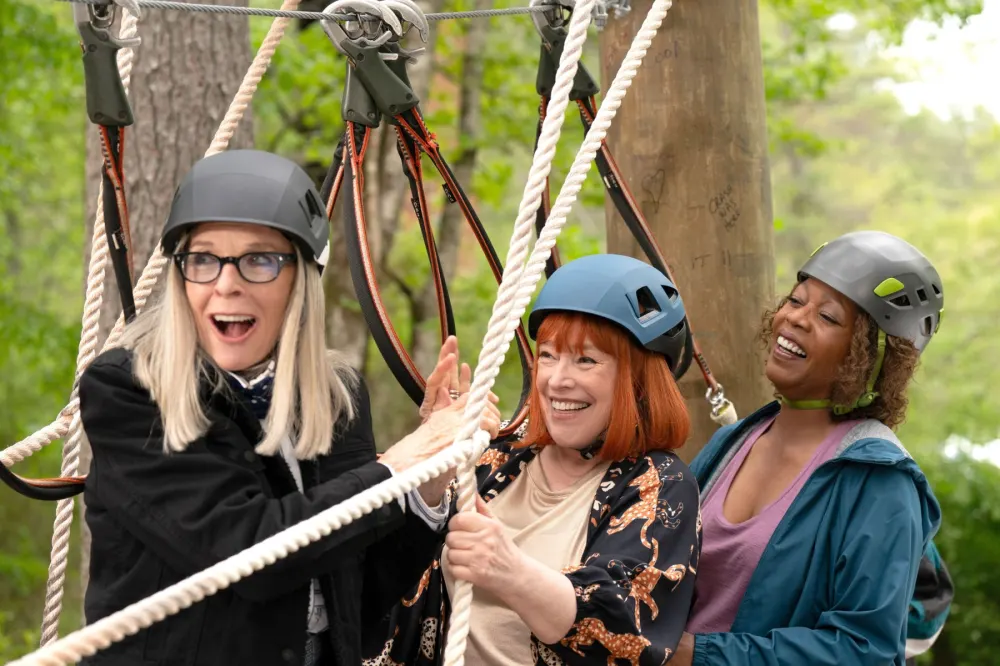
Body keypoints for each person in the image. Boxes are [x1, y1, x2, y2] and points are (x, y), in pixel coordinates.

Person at [77, 149, 502, 666]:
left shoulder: (334, 397)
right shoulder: (131, 392)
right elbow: (249, 554)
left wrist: (430, 478)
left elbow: (360, 597)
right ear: (180, 275)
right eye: (204, 259)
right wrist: (403, 463)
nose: (226, 283)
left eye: (259, 259)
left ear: (301, 279)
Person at [363, 254, 703, 666]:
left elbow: (626, 633)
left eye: (586, 359)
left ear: (639, 380)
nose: (557, 379)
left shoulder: (660, 485)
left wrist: (510, 571)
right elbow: (379, 562)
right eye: (547, 355)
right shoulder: (498, 459)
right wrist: (435, 457)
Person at [670, 230, 944, 665]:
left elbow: (864, 652)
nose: (795, 319)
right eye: (796, 301)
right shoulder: (733, 442)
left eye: (829, 318)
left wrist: (695, 655)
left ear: (868, 355)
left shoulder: (880, 483)